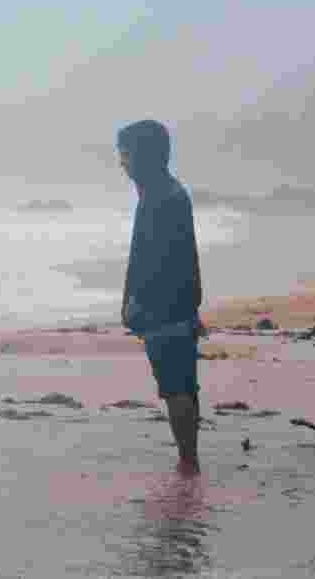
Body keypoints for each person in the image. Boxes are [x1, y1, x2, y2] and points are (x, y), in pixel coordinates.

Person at [118, 120, 206, 476]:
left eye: (124, 153)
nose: (120, 162)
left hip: (165, 309)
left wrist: (137, 303)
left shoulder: (161, 198)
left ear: (142, 155)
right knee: (180, 385)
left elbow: (157, 260)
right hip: (175, 307)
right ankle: (189, 459)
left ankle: (189, 463)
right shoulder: (164, 192)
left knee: (176, 387)